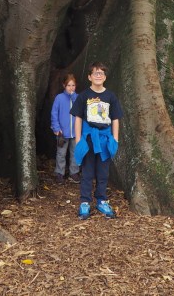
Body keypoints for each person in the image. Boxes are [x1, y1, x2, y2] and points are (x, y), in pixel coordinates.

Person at [71, 62, 123, 219]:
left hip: (105, 140)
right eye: (95, 73)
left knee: (103, 173)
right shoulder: (84, 96)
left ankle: (101, 201)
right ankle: (85, 202)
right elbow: (78, 118)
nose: (98, 75)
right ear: (89, 77)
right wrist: (78, 139)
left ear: (105, 77)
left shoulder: (111, 96)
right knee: (87, 172)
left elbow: (115, 119)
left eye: (101, 73)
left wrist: (115, 138)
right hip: (88, 139)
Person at [50, 73, 80, 183]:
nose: (71, 88)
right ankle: (59, 173)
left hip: (75, 132)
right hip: (62, 132)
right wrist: (56, 128)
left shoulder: (78, 98)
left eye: (73, 85)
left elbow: (81, 109)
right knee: (61, 153)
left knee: (75, 153)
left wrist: (73, 96)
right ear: (64, 85)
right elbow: (54, 113)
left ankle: (74, 173)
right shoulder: (59, 98)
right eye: (68, 85)